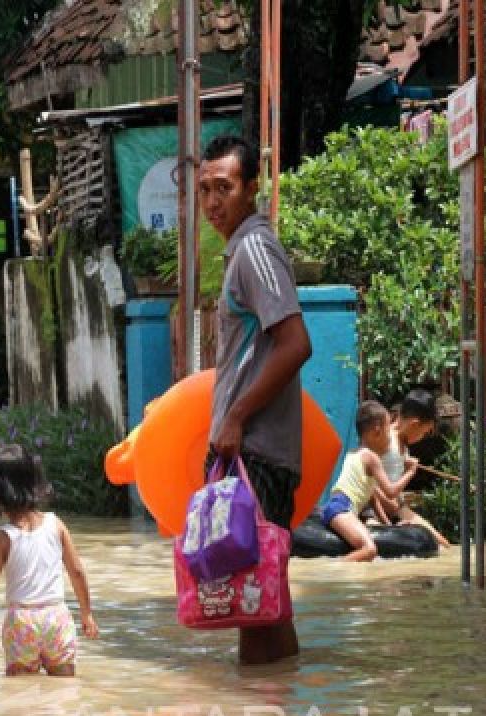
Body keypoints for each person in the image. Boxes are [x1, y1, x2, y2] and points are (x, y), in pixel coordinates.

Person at [200, 134, 312, 665]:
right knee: (265, 601)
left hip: (257, 452)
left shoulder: (254, 248)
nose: (213, 201)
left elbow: (296, 343)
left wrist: (237, 417)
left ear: (251, 189)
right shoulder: (243, 250)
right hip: (252, 450)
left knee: (252, 603)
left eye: (224, 187)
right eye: (205, 190)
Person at [0, 444, 99, 676]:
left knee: (20, 693)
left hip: (21, 622)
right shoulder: (56, 524)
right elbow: (77, 572)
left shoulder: (4, 538)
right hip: (57, 617)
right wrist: (87, 613)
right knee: (64, 687)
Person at [318, 401, 420, 562]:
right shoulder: (372, 458)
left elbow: (373, 497)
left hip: (338, 506)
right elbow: (391, 492)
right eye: (389, 430)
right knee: (369, 550)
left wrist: (389, 527)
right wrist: (410, 472)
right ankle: (331, 570)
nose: (391, 436)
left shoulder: (355, 453)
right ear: (377, 431)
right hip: (342, 508)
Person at [370, 389, 451, 548]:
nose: (423, 438)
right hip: (376, 510)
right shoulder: (384, 440)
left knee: (444, 545)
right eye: (424, 432)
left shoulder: (403, 445)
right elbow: (368, 481)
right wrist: (391, 508)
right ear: (415, 424)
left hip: (397, 508)